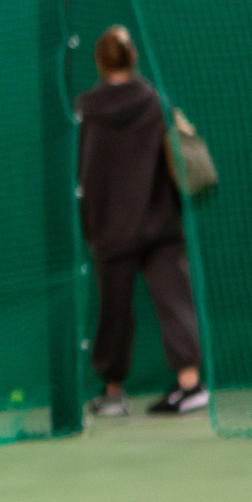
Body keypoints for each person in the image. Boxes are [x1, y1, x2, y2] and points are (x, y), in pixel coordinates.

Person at [77, 25, 207, 417]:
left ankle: (113, 393)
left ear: (99, 61)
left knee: (113, 312)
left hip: (110, 231)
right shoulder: (155, 102)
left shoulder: (85, 109)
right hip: (160, 226)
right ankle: (191, 385)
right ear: (132, 59)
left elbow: (83, 170)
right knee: (176, 304)